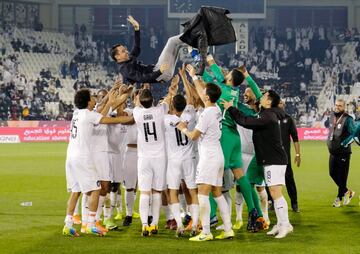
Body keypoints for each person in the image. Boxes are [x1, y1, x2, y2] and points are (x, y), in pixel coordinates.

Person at [222, 90, 293, 239]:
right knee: (273, 192)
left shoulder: (267, 116)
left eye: (264, 96)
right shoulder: (269, 114)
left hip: (274, 159)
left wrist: (231, 108)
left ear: (268, 102)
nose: (261, 98)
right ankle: (280, 224)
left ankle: (285, 225)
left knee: (275, 192)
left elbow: (246, 122)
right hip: (271, 159)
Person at [63, 88, 133, 237]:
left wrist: (111, 95)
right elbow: (109, 120)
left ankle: (68, 224)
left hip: (70, 156)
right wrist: (129, 119)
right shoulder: (89, 115)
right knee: (96, 188)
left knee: (76, 191)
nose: (95, 99)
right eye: (92, 97)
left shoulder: (77, 114)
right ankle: (90, 224)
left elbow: (102, 112)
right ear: (88, 101)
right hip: (82, 157)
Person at [111, 7, 236, 83]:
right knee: (172, 41)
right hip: (160, 73)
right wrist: (159, 71)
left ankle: (198, 51)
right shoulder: (124, 69)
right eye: (122, 51)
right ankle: (197, 35)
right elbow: (142, 78)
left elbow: (136, 48)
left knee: (180, 45)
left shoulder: (128, 60)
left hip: (162, 73)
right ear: (117, 57)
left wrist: (137, 29)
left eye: (125, 49)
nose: (126, 51)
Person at [177, 80, 233, 241]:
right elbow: (202, 93)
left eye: (204, 93)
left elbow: (194, 136)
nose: (201, 94)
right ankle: (228, 229)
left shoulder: (207, 113)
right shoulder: (215, 108)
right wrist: (195, 79)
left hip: (208, 158)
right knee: (217, 193)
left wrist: (183, 128)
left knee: (202, 194)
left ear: (207, 97)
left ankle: (206, 232)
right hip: (218, 155)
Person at [132, 83, 176, 237]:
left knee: (145, 192)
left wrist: (143, 91)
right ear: (152, 100)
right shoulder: (159, 111)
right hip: (159, 157)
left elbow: (138, 102)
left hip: (144, 158)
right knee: (157, 191)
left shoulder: (136, 113)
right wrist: (172, 90)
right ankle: (155, 224)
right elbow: (168, 99)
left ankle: (145, 225)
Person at [163, 77, 199, 237]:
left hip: (174, 160)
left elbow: (164, 106)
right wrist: (185, 77)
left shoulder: (166, 119)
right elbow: (191, 97)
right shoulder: (191, 114)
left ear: (172, 105)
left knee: (173, 191)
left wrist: (171, 92)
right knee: (192, 191)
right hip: (189, 158)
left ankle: (179, 224)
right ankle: (195, 225)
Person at [327, 99, 356, 207]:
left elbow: (353, 133)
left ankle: (339, 198)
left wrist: (344, 143)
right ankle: (347, 192)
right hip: (333, 151)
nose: (337, 107)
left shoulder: (348, 119)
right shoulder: (332, 116)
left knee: (342, 177)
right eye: (336, 105)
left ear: (344, 107)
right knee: (332, 173)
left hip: (343, 152)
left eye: (340, 106)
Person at [279, 100, 301, 213]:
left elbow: (295, 137)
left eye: (281, 103)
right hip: (271, 156)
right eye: (278, 103)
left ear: (284, 105)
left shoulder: (288, 119)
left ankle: (294, 202)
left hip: (285, 157)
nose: (279, 105)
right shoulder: (269, 117)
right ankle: (271, 202)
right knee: (270, 181)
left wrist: (298, 154)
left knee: (289, 179)